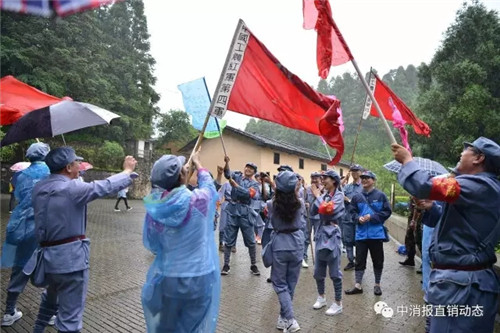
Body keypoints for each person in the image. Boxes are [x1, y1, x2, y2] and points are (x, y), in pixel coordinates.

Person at [392, 137, 500, 333]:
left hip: (462, 287)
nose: (461, 153)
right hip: (462, 284)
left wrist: (408, 161)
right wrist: (431, 207)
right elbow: (456, 228)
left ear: (479, 158)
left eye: (466, 149)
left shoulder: (480, 185)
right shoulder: (479, 187)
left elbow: (424, 186)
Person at [27, 146, 137, 333]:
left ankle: (38, 328)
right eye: (77, 162)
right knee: (70, 317)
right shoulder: (72, 188)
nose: (81, 165)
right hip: (70, 262)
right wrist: (127, 171)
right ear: (68, 167)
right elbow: (105, 186)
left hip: (46, 259)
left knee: (50, 297)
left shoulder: (39, 187)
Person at [141, 152, 220, 333]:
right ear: (181, 176)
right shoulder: (199, 200)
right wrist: (199, 164)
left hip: (168, 278)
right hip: (200, 276)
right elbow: (209, 186)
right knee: (193, 326)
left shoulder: (156, 209)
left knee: (168, 325)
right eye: (182, 168)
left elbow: (152, 244)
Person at [1, 143, 51, 328]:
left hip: (18, 225)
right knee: (50, 269)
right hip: (41, 226)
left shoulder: (20, 175)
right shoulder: (51, 172)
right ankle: (51, 311)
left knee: (19, 268)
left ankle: (9, 311)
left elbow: (20, 196)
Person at [267, 171, 304, 332]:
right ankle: (283, 319)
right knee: (291, 284)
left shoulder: (270, 204)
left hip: (280, 244)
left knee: (280, 284)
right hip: (297, 243)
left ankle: (290, 319)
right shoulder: (301, 203)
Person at [345, 170, 391, 296]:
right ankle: (358, 285)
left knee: (378, 260)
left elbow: (387, 212)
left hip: (376, 234)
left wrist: (371, 217)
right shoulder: (357, 197)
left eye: (367, 178)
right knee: (359, 261)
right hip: (361, 234)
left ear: (373, 180)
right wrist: (357, 219)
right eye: (363, 178)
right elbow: (352, 211)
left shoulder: (380, 196)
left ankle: (377, 284)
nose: (364, 180)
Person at [310, 170, 345, 316]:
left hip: (332, 235)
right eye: (322, 178)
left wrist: (317, 197)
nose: (322, 180)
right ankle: (321, 296)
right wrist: (317, 198)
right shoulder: (324, 196)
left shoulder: (339, 196)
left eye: (326, 178)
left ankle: (338, 302)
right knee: (318, 270)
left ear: (334, 181)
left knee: (334, 271)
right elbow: (313, 211)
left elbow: (328, 211)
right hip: (320, 233)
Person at [221, 157, 261, 276]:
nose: (248, 169)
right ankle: (226, 264)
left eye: (251, 169)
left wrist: (236, 186)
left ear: (254, 172)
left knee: (250, 241)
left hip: (245, 213)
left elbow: (249, 194)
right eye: (247, 167)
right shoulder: (237, 175)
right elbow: (227, 174)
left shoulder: (255, 184)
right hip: (233, 211)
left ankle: (253, 264)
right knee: (228, 240)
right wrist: (227, 163)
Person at [340, 164, 364, 271]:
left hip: (359, 218)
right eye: (353, 171)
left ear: (361, 172)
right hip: (347, 217)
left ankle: (359, 262)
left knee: (359, 241)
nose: (355, 173)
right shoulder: (347, 187)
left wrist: (350, 200)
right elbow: (339, 193)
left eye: (357, 171)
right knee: (347, 240)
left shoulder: (364, 187)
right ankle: (351, 261)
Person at [399, 197, 424, 268]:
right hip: (413, 215)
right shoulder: (412, 192)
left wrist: (414, 220)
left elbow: (419, 207)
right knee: (409, 237)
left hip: (419, 217)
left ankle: (424, 263)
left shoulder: (420, 191)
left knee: (419, 239)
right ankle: (410, 258)